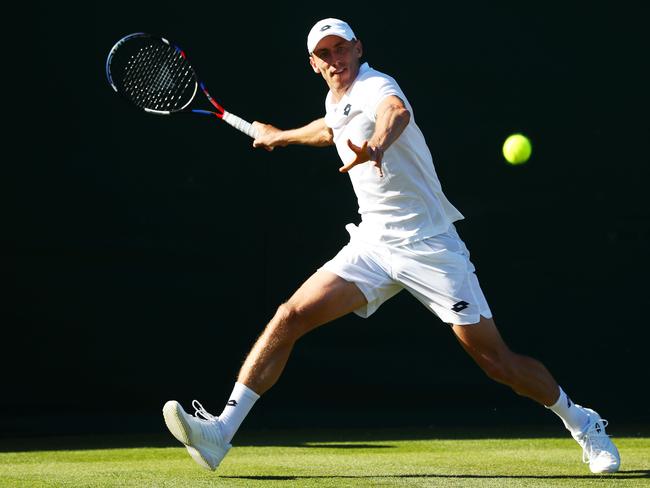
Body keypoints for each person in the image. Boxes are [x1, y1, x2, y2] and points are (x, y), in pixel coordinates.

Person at [162, 18, 620, 474]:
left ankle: (584, 422)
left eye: (341, 48)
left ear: (358, 48)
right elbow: (330, 127)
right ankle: (221, 431)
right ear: (313, 64)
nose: (335, 59)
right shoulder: (336, 97)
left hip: (429, 246)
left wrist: (378, 146)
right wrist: (280, 136)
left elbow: (394, 112)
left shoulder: (376, 85)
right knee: (290, 315)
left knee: (497, 362)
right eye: (324, 54)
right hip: (374, 243)